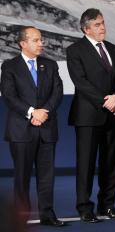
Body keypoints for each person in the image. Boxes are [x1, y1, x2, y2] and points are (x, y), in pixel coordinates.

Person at [0, 26, 65, 227]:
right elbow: (9, 96)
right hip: (22, 130)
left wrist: (43, 112)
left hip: (46, 128)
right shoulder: (10, 66)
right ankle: (22, 217)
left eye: (41, 40)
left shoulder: (50, 65)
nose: (41, 43)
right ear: (23, 43)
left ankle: (48, 214)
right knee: (22, 176)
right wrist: (31, 112)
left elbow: (57, 92)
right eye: (36, 40)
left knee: (47, 176)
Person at [67, 9, 115, 223]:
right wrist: (105, 100)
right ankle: (84, 208)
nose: (102, 27)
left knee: (111, 162)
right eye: (97, 25)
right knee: (86, 164)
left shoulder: (110, 48)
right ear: (86, 29)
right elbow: (80, 82)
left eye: (103, 23)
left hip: (113, 114)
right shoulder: (75, 50)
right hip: (88, 116)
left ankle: (107, 205)